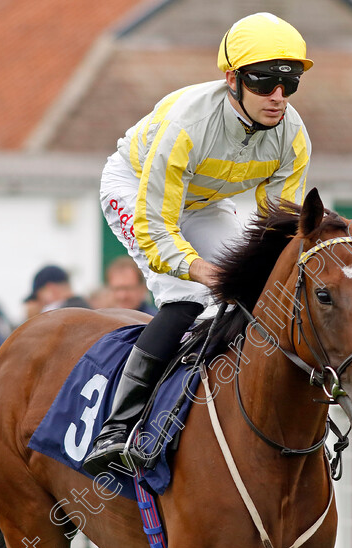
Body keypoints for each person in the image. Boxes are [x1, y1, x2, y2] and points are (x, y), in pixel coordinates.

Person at [83, 12, 313, 475]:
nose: (278, 96)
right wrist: (199, 268)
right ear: (232, 79)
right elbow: (156, 227)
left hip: (205, 202)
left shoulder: (293, 138)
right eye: (264, 81)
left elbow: (278, 230)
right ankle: (118, 426)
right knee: (190, 293)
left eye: (289, 84)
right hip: (136, 187)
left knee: (251, 291)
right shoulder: (189, 126)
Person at [25, 264, 89, 313]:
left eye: (39, 298)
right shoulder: (87, 310)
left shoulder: (57, 316)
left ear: (51, 288)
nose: (41, 304)